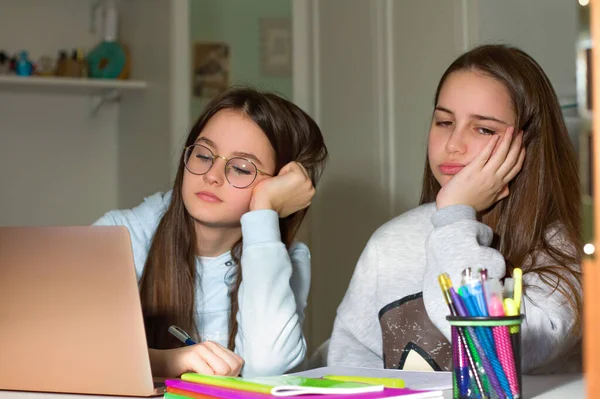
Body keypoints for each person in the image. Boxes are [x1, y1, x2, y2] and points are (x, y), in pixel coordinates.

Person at [328, 44, 582, 374]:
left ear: (527, 144)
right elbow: (350, 370)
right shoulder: (390, 243)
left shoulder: (564, 252)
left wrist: (455, 216)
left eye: (483, 128)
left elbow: (488, 351)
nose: (453, 144)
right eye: (445, 122)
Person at [95, 87, 328, 378]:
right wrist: (171, 362)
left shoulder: (286, 258)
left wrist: (263, 212)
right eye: (204, 155)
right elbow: (64, 341)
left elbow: (267, 367)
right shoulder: (125, 233)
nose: (211, 176)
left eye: (242, 169)